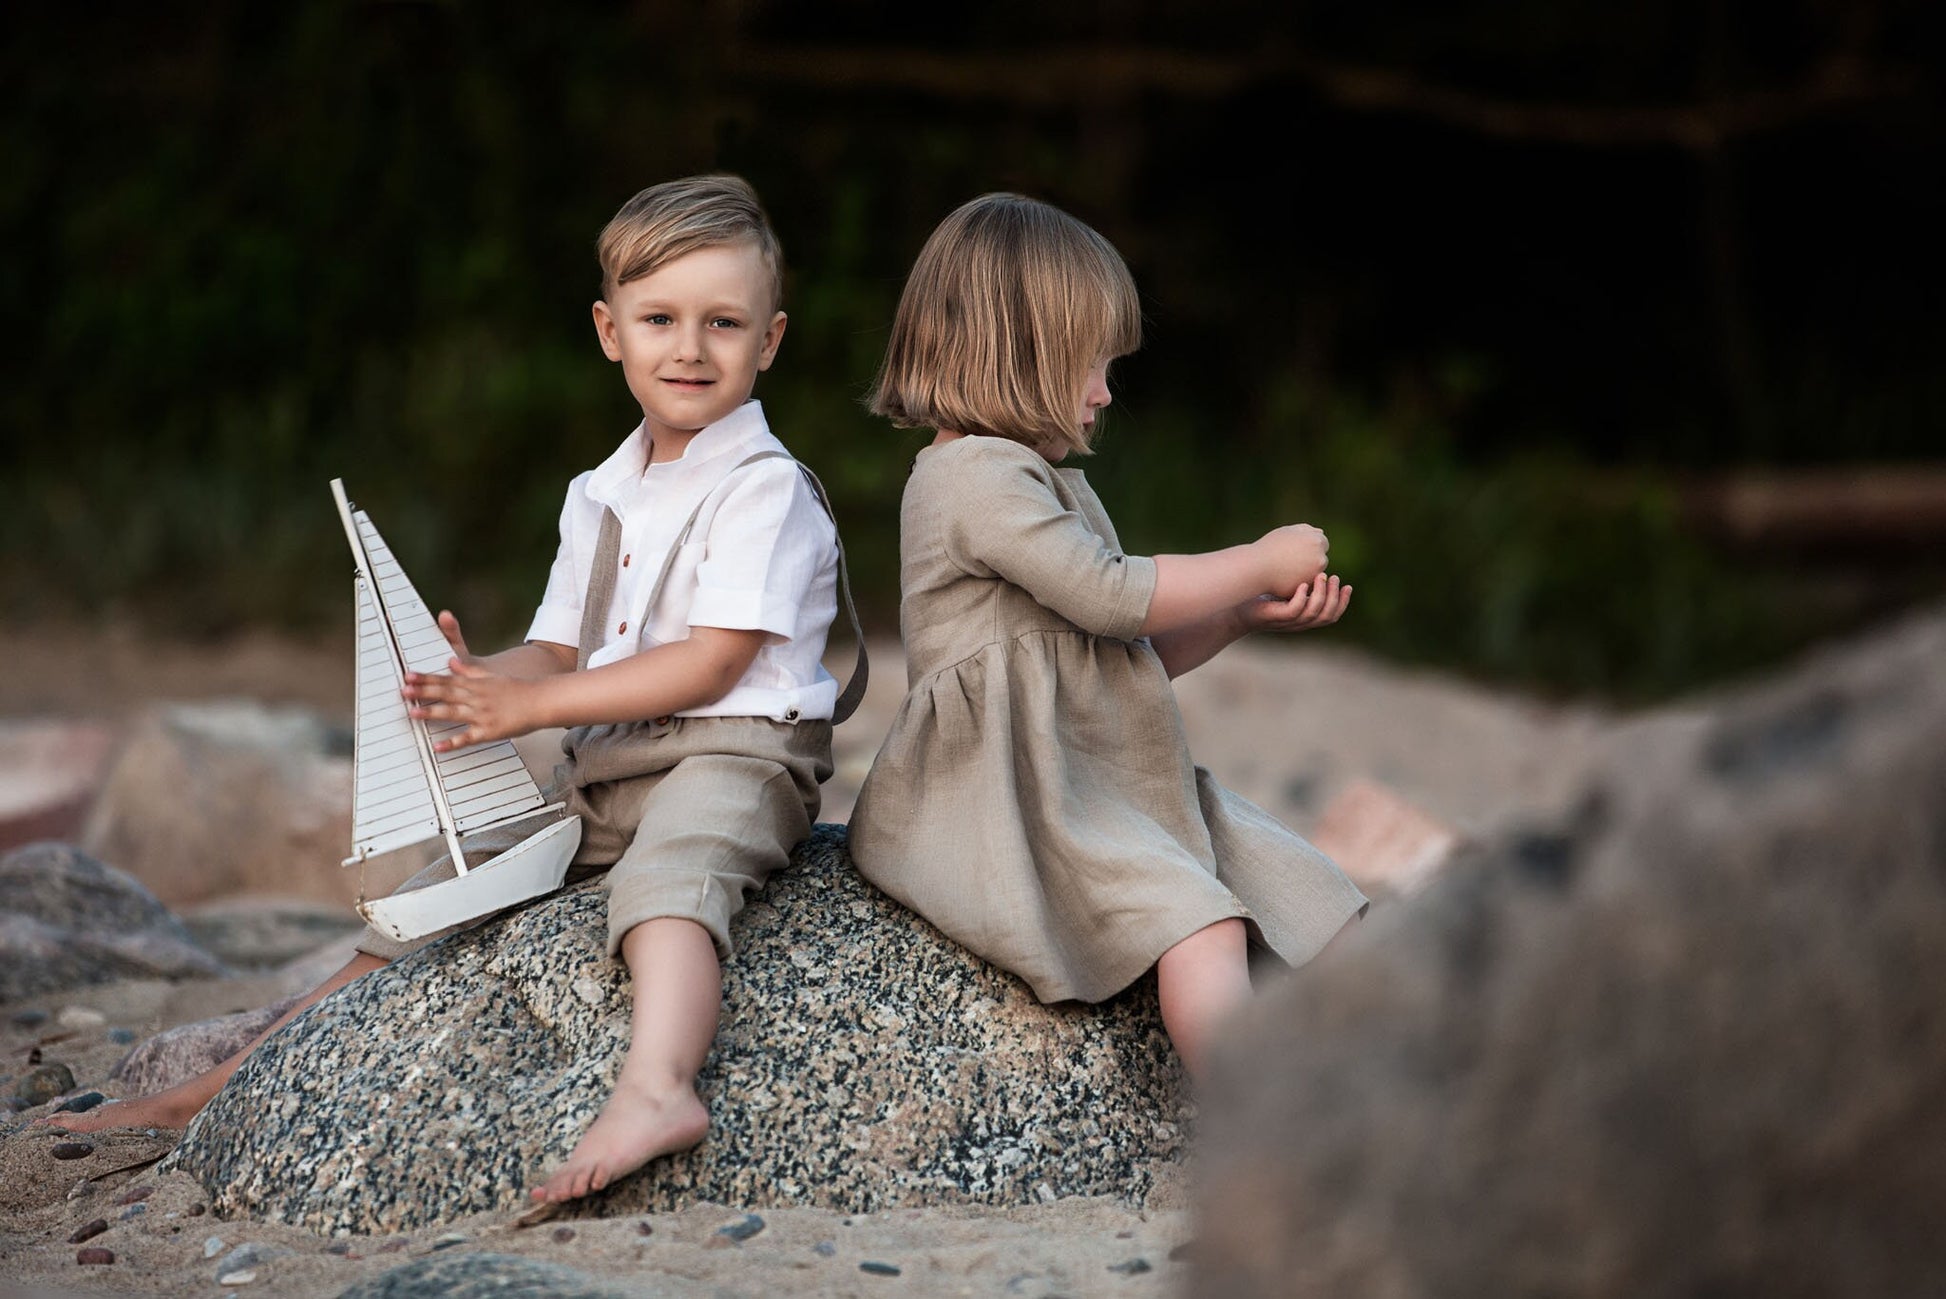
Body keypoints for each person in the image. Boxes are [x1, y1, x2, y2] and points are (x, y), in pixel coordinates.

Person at [47, 172, 867, 1204]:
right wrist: (476, 680)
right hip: (613, 756)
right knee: (442, 886)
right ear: (610, 332)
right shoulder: (599, 493)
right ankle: (214, 1088)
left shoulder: (765, 488)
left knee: (669, 881)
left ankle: (658, 1086)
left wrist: (526, 709)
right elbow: (558, 655)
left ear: (771, 340)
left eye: (723, 322)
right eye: (660, 319)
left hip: (738, 751)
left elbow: (710, 666)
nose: (690, 349)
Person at [845, 192, 1367, 1084]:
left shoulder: (1038, 477)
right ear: (1019, 356)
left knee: (1308, 891)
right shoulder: (971, 477)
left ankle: (1382, 1080)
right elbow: (1113, 597)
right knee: (1199, 927)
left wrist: (1238, 615)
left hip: (1105, 777)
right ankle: (1256, 1130)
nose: (1104, 391)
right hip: (1022, 796)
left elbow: (1125, 655)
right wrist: (1254, 559)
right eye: (1090, 364)